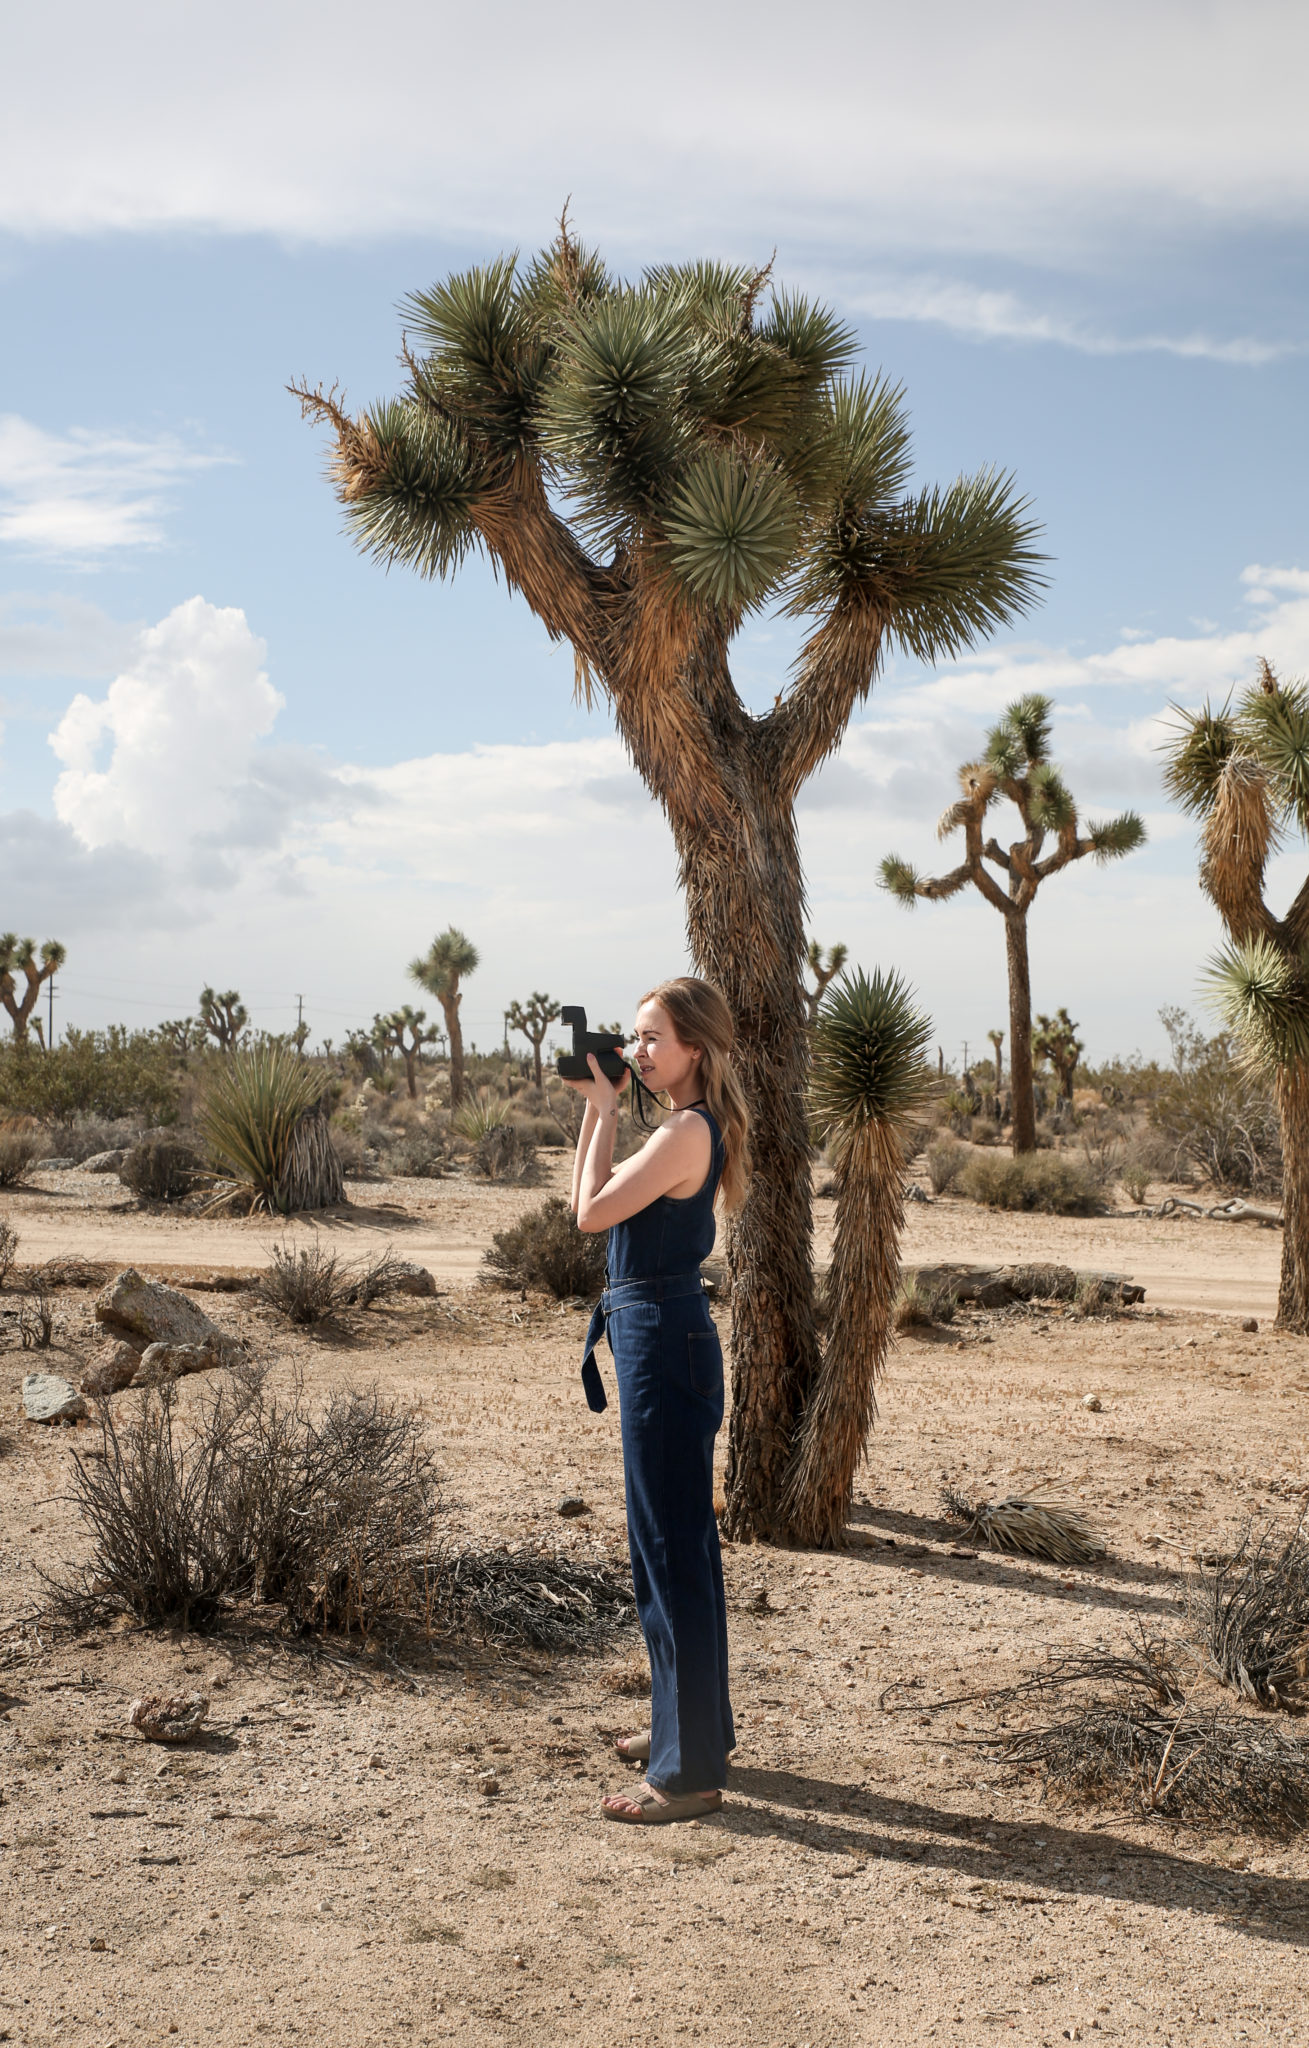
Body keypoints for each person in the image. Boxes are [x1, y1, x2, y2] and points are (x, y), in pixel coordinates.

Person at [566, 976, 750, 1825]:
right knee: (664, 1546)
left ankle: (688, 1775)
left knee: (672, 1547)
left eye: (651, 1039)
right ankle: (689, 1729)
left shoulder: (683, 1129)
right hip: (655, 1335)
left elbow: (593, 1212)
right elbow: (587, 1211)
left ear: (694, 1051)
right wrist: (598, 1109)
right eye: (634, 1038)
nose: (637, 1053)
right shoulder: (681, 1124)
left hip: (663, 1340)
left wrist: (602, 1111)